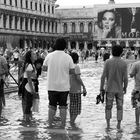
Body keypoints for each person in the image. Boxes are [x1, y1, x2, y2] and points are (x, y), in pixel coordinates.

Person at [42, 38, 75, 128]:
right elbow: (72, 71)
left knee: (51, 105)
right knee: (63, 106)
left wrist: (52, 69)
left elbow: (44, 69)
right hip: (64, 86)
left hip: (51, 85)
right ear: (64, 46)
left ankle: (50, 125)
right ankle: (63, 125)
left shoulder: (49, 56)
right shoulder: (68, 57)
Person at [100, 45, 128, 129]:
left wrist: (101, 88)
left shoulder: (108, 62)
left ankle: (108, 125)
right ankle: (118, 125)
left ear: (112, 51)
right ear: (121, 52)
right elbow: (126, 78)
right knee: (120, 107)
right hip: (119, 89)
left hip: (109, 88)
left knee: (108, 107)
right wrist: (125, 88)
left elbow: (103, 76)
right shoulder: (124, 63)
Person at [19, 50, 37, 122]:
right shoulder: (29, 65)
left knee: (28, 103)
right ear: (30, 56)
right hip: (28, 84)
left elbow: (23, 74)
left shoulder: (30, 64)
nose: (35, 55)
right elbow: (29, 79)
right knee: (28, 103)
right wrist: (32, 90)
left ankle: (28, 119)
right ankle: (27, 121)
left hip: (26, 84)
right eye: (33, 54)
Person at [69, 52, 87, 126]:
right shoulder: (76, 67)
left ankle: (71, 122)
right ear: (76, 58)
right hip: (76, 90)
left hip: (69, 89)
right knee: (76, 109)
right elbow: (78, 78)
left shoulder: (69, 66)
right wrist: (84, 86)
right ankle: (72, 123)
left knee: (72, 107)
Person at [130, 49, 140, 127]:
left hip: (137, 89)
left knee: (137, 107)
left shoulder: (136, 64)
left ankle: (137, 124)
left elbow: (131, 75)